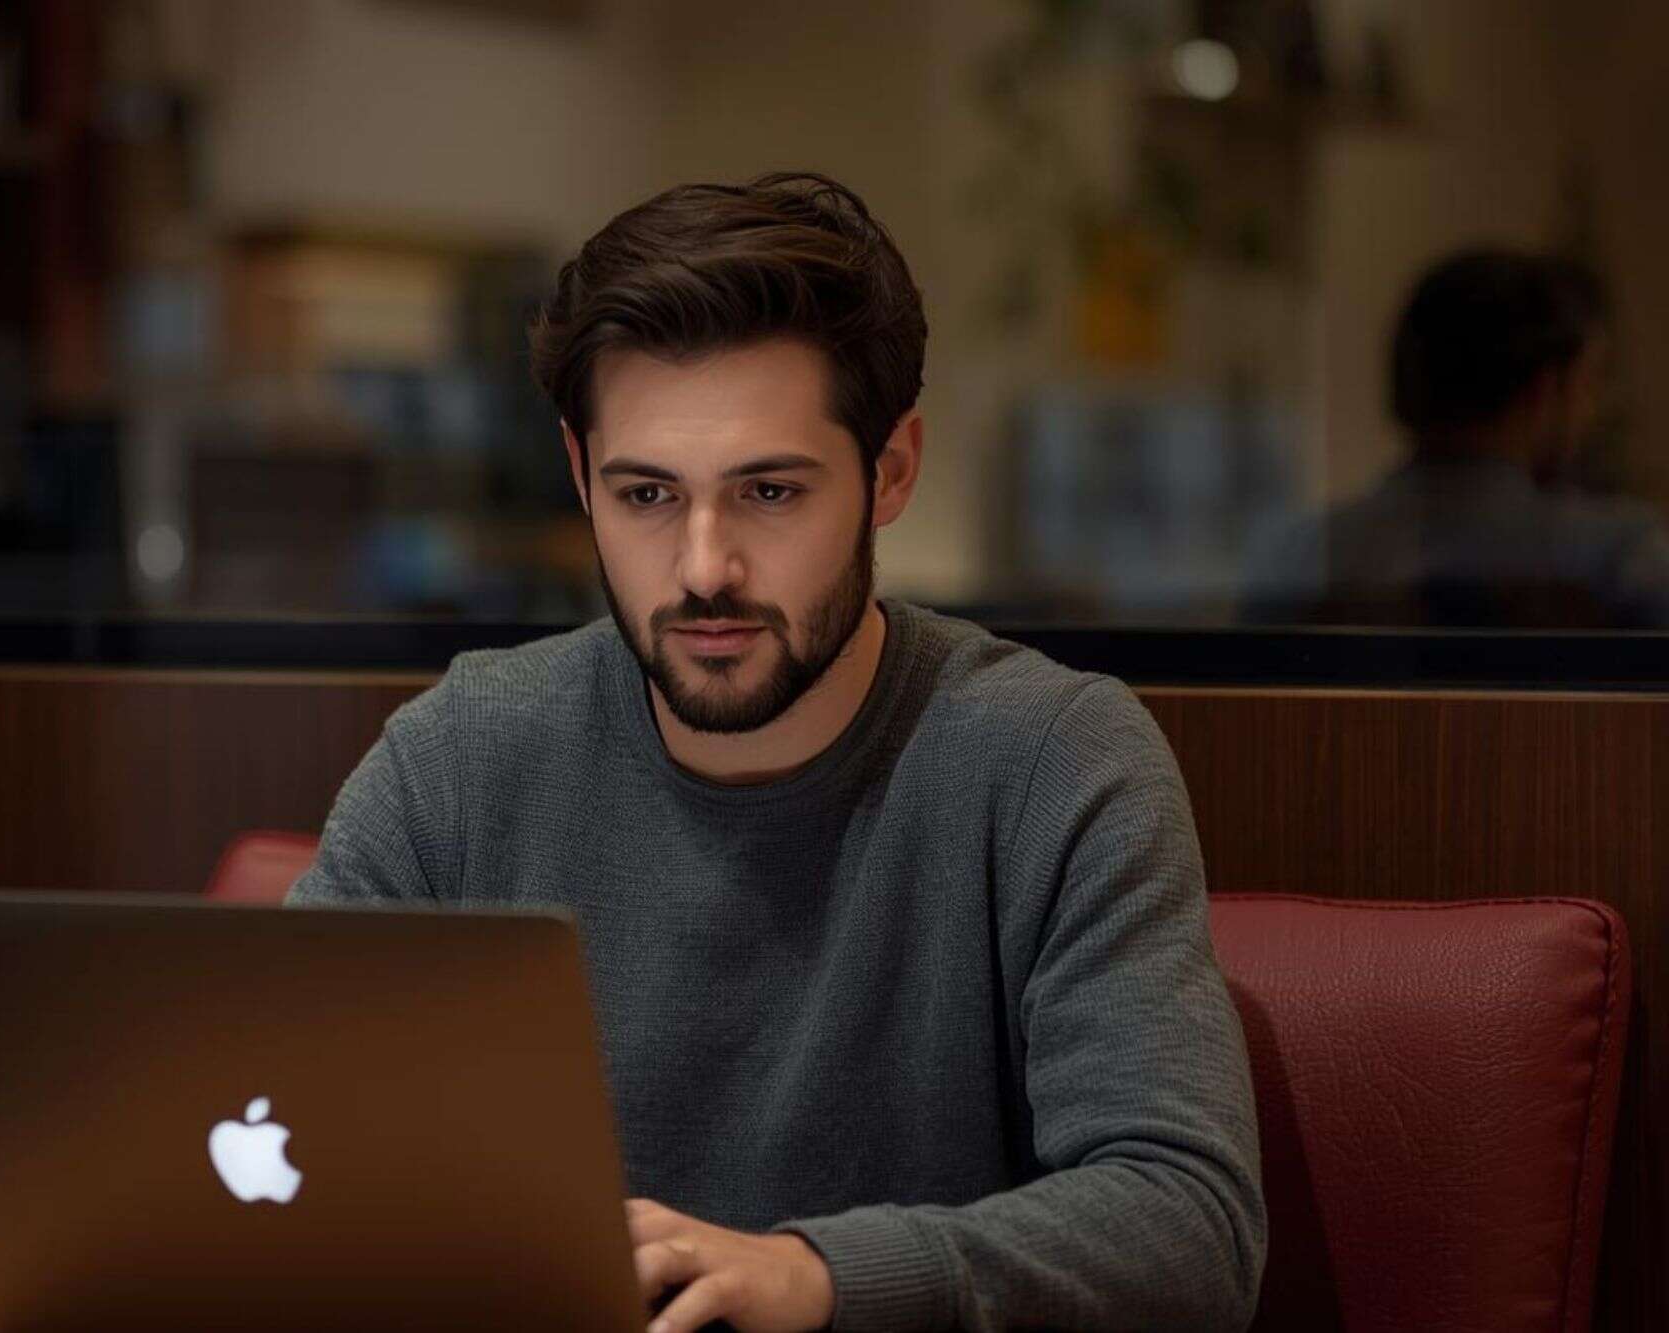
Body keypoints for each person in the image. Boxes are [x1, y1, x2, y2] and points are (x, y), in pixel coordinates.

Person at [289, 172, 1265, 1332]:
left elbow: (1186, 1224)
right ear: (576, 476)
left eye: (766, 491)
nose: (704, 566)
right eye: (645, 493)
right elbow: (263, 1107)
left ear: (889, 471)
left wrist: (815, 1276)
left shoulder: (1050, 759)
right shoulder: (462, 755)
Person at [1241, 249, 1669, 627]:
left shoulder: (1299, 556)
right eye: (1589, 384)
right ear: (1544, 391)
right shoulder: (1621, 559)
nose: (1592, 411)